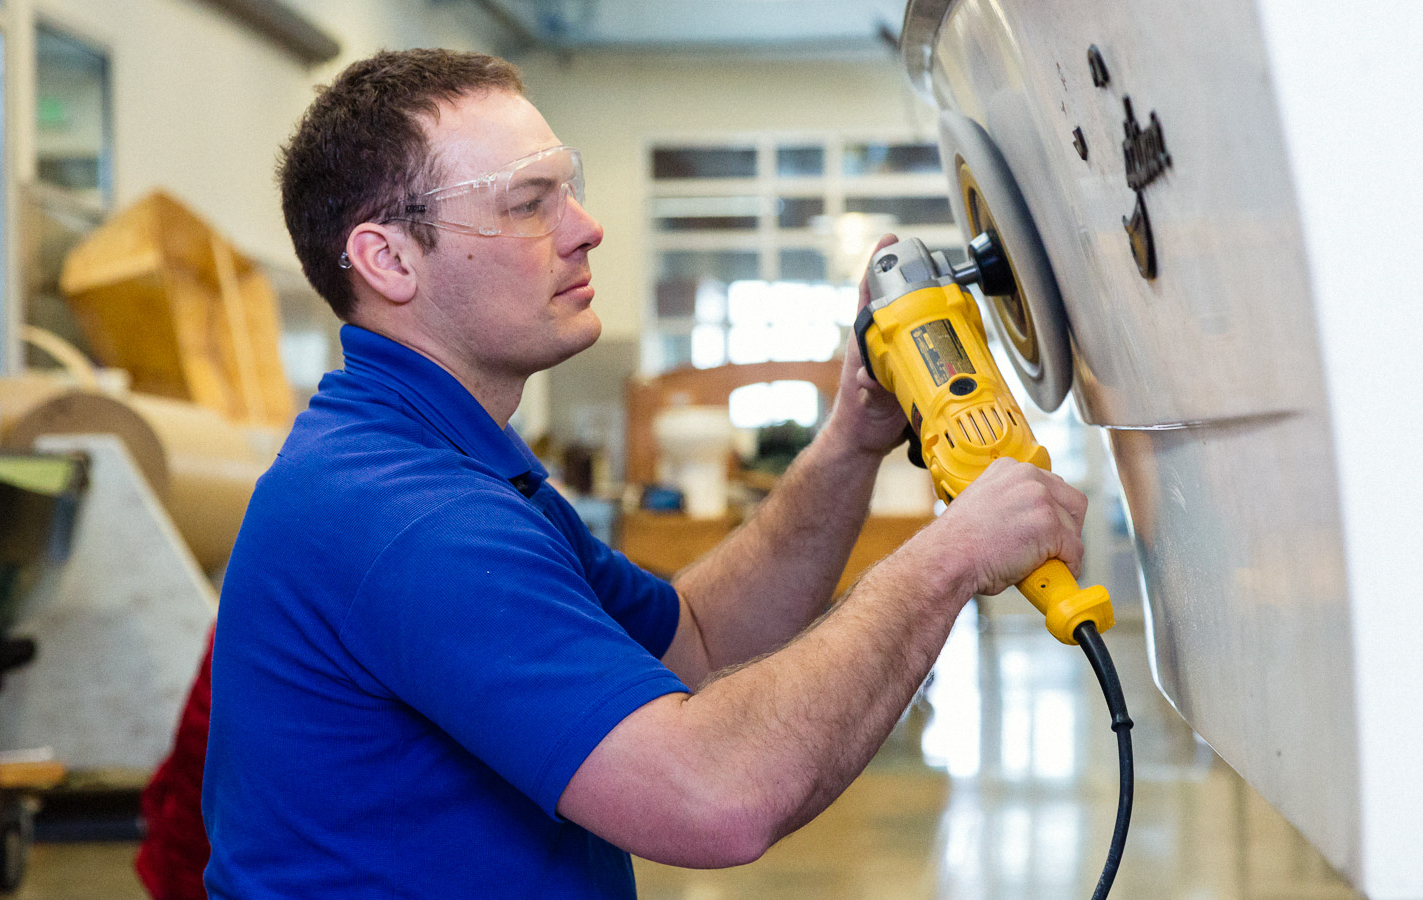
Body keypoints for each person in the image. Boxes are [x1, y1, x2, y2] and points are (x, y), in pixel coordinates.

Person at [202, 48, 1089, 900]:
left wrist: (853, 437)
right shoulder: (409, 518)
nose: (586, 228)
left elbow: (696, 641)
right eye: (527, 204)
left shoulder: (448, 463)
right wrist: (947, 559)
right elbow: (713, 797)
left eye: (569, 190)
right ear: (389, 260)